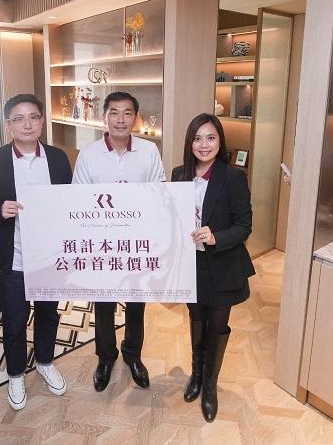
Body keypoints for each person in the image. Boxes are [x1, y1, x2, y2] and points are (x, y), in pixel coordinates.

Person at [0, 93, 73, 411]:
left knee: (48, 313)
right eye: (19, 118)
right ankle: (15, 374)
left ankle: (45, 362)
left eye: (34, 117)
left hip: (50, 257)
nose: (27, 124)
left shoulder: (57, 158)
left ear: (42, 121)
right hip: (15, 257)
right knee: (14, 319)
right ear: (8, 124)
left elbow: (70, 202)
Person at [73, 91, 166, 392]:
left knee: (137, 303)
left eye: (127, 113)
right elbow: (78, 198)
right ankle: (105, 357)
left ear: (136, 118)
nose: (121, 119)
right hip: (103, 244)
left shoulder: (149, 151)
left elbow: (160, 190)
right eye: (114, 112)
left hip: (137, 242)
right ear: (105, 117)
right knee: (103, 303)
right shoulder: (88, 155)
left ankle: (133, 355)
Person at [170, 113, 254, 423]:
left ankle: (209, 385)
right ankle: (195, 374)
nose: (204, 145)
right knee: (196, 318)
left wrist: (216, 235)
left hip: (222, 264)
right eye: (197, 138)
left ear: (220, 141)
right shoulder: (179, 174)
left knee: (217, 325)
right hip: (189, 264)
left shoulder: (233, 177)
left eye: (211, 137)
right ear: (189, 142)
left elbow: (244, 226)